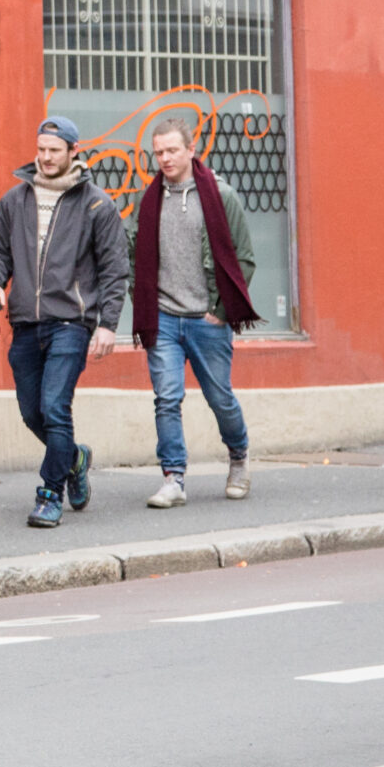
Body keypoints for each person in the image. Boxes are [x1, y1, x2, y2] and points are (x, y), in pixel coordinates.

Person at [0, 115, 131, 530]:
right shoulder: (15, 200)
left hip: (72, 322)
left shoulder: (97, 204)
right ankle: (75, 458)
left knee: (54, 407)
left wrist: (107, 324)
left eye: (54, 151)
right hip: (25, 323)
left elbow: (115, 269)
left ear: (73, 152)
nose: (46, 157)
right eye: (41, 150)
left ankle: (49, 493)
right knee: (33, 413)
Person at [132, 113, 261, 508]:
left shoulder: (221, 195)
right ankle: (174, 478)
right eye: (158, 153)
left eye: (172, 150)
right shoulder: (149, 199)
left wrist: (222, 311)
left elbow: (244, 258)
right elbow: (137, 256)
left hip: (206, 318)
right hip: (165, 318)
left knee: (220, 398)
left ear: (191, 149)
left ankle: (238, 456)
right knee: (166, 399)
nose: (165, 159)